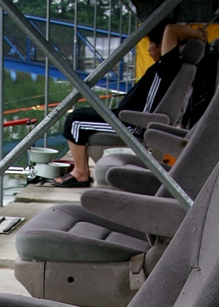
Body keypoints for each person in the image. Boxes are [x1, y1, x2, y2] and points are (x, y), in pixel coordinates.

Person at [54, 20, 207, 186]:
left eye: (151, 43)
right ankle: (81, 171)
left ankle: (80, 173)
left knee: (75, 121)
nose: (148, 49)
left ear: (162, 44)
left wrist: (197, 34)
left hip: (132, 124)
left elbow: (171, 29)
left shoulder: (168, 66)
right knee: (81, 114)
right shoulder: (171, 67)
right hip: (126, 118)